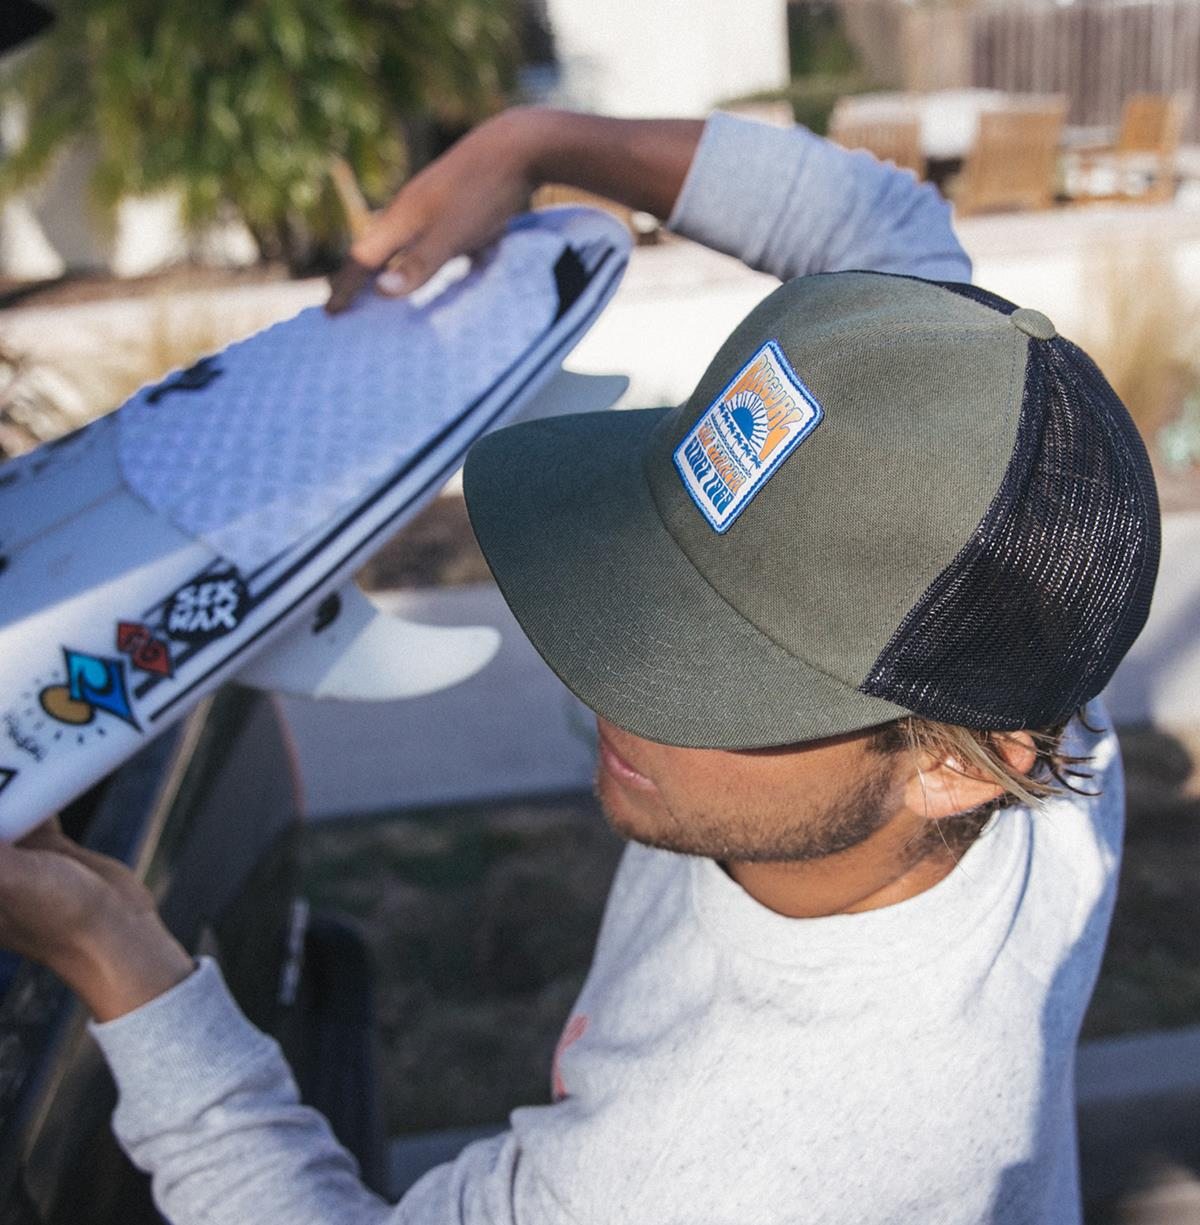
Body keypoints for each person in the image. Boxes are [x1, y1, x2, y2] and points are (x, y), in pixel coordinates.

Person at [0, 106, 1160, 1223]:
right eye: (664, 576)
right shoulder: (1025, 649)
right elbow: (880, 228)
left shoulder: (723, 1170)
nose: (604, 682)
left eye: (721, 668)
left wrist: (112, 950)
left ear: (957, 766)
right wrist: (537, 143)